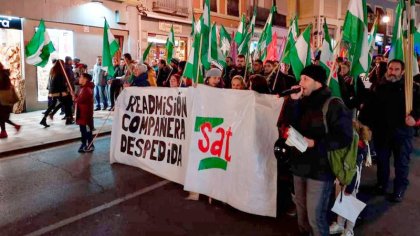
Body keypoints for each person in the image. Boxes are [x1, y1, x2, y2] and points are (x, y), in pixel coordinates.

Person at [278, 64, 353, 236]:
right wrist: (293, 102)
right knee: (302, 215)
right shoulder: (298, 100)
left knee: (315, 217)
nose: (300, 82)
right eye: (300, 78)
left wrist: (316, 144)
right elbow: (285, 123)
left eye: (305, 79)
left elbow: (344, 136)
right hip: (298, 165)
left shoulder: (333, 104)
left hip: (320, 168)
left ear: (317, 83)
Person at [359, 59, 420, 202]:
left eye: (396, 69)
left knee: (401, 162)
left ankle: (399, 188)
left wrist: (414, 116)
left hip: (402, 133)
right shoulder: (379, 85)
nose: (392, 72)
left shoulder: (411, 88)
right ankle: (381, 185)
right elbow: (370, 106)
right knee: (382, 161)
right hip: (382, 132)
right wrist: (364, 121)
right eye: (390, 69)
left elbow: (418, 106)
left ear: (403, 71)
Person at [40, 60, 74, 127]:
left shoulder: (53, 70)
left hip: (52, 91)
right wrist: (65, 91)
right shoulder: (60, 72)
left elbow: (50, 82)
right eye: (63, 64)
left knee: (54, 105)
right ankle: (68, 119)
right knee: (67, 102)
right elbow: (60, 83)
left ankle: (44, 119)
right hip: (58, 91)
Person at [75, 73, 95, 153]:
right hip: (82, 113)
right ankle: (84, 144)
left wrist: (75, 98)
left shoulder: (87, 89)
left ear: (85, 79)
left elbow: (80, 100)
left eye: (81, 77)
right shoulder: (83, 87)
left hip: (85, 115)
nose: (79, 79)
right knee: (83, 130)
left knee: (87, 130)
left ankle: (89, 145)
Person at [0, 63, 21, 138]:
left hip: (3, 99)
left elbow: (2, 87)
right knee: (2, 117)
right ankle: (4, 132)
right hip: (5, 99)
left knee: (2, 117)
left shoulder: (2, 74)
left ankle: (13, 127)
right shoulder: (4, 73)